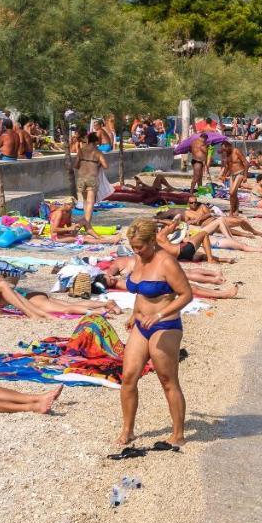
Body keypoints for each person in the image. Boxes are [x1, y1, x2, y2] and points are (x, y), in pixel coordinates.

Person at [118, 218, 193, 448]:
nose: (136, 251)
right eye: (133, 247)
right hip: (142, 324)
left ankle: (178, 434)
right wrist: (134, 313)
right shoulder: (140, 258)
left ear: (153, 241)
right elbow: (141, 290)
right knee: (129, 376)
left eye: (140, 246)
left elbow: (186, 295)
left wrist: (159, 315)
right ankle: (128, 430)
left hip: (166, 325)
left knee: (167, 379)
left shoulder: (167, 262)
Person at [74, 132, 108, 229]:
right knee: (90, 202)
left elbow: (75, 165)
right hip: (92, 178)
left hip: (81, 178)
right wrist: (97, 164)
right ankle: (87, 223)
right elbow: (106, 166)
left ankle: (86, 221)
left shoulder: (81, 150)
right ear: (96, 142)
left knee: (85, 201)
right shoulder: (97, 152)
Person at [219, 141, 249, 217]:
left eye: (225, 149)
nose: (224, 151)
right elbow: (227, 166)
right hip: (232, 175)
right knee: (232, 193)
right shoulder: (227, 155)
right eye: (223, 150)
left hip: (240, 173)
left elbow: (245, 162)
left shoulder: (236, 151)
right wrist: (224, 175)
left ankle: (231, 210)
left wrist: (245, 175)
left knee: (232, 192)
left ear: (228, 146)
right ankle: (236, 209)